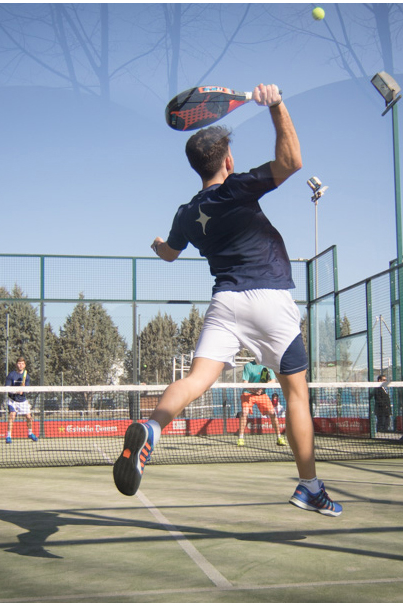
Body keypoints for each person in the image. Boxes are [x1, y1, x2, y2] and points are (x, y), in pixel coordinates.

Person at [112, 83, 342, 516]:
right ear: (228, 161)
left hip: (225, 304)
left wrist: (158, 244)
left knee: (196, 380)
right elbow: (291, 161)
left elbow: (170, 254)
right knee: (296, 394)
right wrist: (276, 105)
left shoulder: (186, 215)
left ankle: (152, 428)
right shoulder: (236, 188)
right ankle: (309, 487)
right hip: (270, 299)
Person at [237, 360, 287, 447]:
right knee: (244, 412)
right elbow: (245, 383)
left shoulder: (268, 365)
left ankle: (279, 437)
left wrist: (261, 388)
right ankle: (240, 438)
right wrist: (254, 390)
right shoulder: (248, 366)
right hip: (248, 393)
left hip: (262, 394)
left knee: (272, 413)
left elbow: (273, 381)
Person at [4, 357, 38, 444]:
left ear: (24, 365)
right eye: (19, 363)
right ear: (16, 364)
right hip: (12, 400)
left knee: (29, 417)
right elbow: (7, 388)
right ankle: (8, 436)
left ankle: (30, 433)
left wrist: (24, 389)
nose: (20, 365)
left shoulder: (27, 376)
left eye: (22, 363)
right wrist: (16, 391)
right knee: (12, 416)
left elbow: (27, 389)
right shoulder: (11, 375)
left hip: (22, 400)